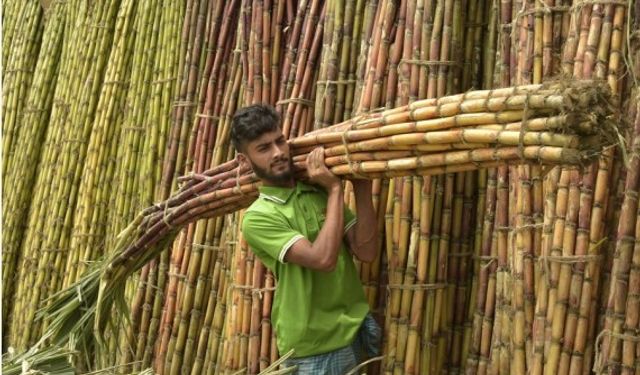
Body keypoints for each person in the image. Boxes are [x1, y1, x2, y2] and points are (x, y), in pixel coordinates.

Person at [231, 104, 382, 374]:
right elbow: (322, 259)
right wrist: (336, 189)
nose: (278, 153)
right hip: (316, 347)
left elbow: (366, 251)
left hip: (356, 327)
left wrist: (361, 184)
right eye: (264, 148)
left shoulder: (315, 192)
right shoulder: (259, 217)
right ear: (245, 161)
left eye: (280, 141)